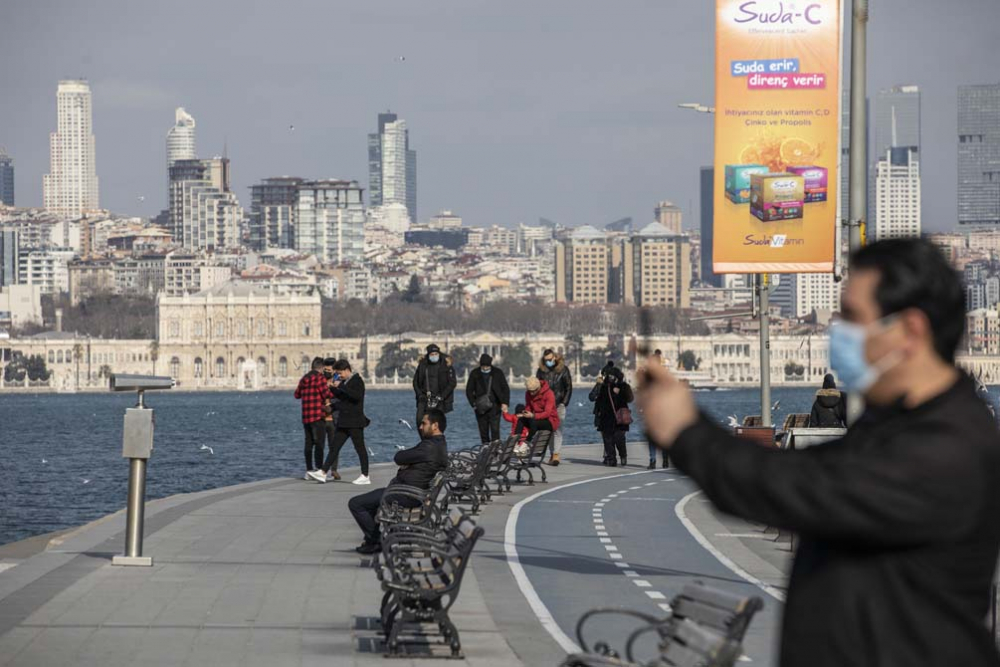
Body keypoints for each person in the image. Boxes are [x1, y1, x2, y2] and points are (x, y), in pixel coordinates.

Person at [638, 238, 1000, 667]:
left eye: (851, 316)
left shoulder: (949, 445)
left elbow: (802, 488)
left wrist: (687, 432)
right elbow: (808, 472)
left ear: (910, 331)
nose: (836, 331)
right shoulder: (896, 423)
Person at [348, 409, 450, 554]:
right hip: (411, 492)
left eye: (424, 423)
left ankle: (374, 541)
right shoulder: (439, 445)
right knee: (370, 502)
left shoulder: (428, 447)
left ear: (435, 426)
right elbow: (407, 459)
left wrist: (407, 464)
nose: (420, 427)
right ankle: (374, 540)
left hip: (406, 495)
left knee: (356, 504)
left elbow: (399, 457)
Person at [308, 360, 370, 485]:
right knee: (334, 448)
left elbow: (355, 397)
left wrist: (340, 386)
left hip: (355, 422)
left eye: (340, 373)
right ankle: (323, 472)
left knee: (360, 448)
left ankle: (365, 475)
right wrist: (333, 389)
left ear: (347, 370)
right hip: (344, 422)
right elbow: (343, 398)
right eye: (337, 373)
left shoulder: (357, 381)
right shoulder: (345, 382)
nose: (339, 376)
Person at [294, 356, 332, 480]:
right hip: (317, 415)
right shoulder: (319, 378)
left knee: (308, 443)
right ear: (321, 368)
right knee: (319, 444)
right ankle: (320, 470)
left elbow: (297, 395)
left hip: (306, 416)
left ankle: (309, 470)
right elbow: (326, 394)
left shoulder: (304, 378)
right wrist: (333, 388)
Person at [589, 364, 634, 467]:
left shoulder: (623, 386)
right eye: (608, 376)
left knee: (619, 439)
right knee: (608, 440)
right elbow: (593, 397)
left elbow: (630, 398)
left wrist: (620, 392)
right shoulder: (603, 387)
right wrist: (598, 385)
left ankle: (623, 455)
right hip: (606, 417)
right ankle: (611, 459)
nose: (609, 378)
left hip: (620, 417)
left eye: (611, 376)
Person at [536, 348, 572, 466]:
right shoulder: (541, 371)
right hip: (545, 406)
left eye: (550, 360)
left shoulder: (563, 370)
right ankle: (552, 453)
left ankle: (556, 454)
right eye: (546, 360)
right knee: (549, 430)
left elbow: (568, 387)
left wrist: (564, 402)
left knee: (558, 429)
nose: (548, 362)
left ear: (555, 358)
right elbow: (537, 388)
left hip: (559, 404)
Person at [465, 353, 510, 444]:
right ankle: (485, 448)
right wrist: (474, 404)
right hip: (480, 407)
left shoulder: (497, 373)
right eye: (483, 366)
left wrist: (505, 403)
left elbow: (505, 388)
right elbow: (469, 390)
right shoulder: (475, 373)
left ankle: (496, 449)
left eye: (487, 366)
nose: (485, 368)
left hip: (495, 405)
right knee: (483, 431)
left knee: (495, 430)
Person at [413, 343, 457, 425]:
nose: (434, 356)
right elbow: (415, 382)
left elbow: (452, 383)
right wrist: (419, 394)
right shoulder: (423, 365)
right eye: (432, 354)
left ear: (439, 354)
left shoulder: (446, 364)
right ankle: (424, 436)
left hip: (440, 399)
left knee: (437, 423)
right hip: (424, 398)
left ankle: (438, 437)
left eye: (436, 354)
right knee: (420, 421)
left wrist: (442, 396)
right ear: (428, 355)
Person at [514, 377, 560, 444]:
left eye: (533, 391)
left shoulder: (549, 394)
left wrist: (533, 415)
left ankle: (527, 443)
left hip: (550, 420)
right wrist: (525, 413)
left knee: (534, 423)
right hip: (536, 418)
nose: (531, 393)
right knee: (521, 420)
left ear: (538, 388)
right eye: (530, 391)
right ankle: (515, 441)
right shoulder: (528, 393)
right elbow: (528, 406)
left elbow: (547, 413)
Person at [320, 357, 342, 480]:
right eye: (325, 369)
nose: (327, 372)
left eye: (329, 369)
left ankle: (334, 470)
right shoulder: (320, 381)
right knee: (320, 445)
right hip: (321, 418)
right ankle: (320, 469)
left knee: (334, 446)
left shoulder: (338, 381)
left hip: (334, 419)